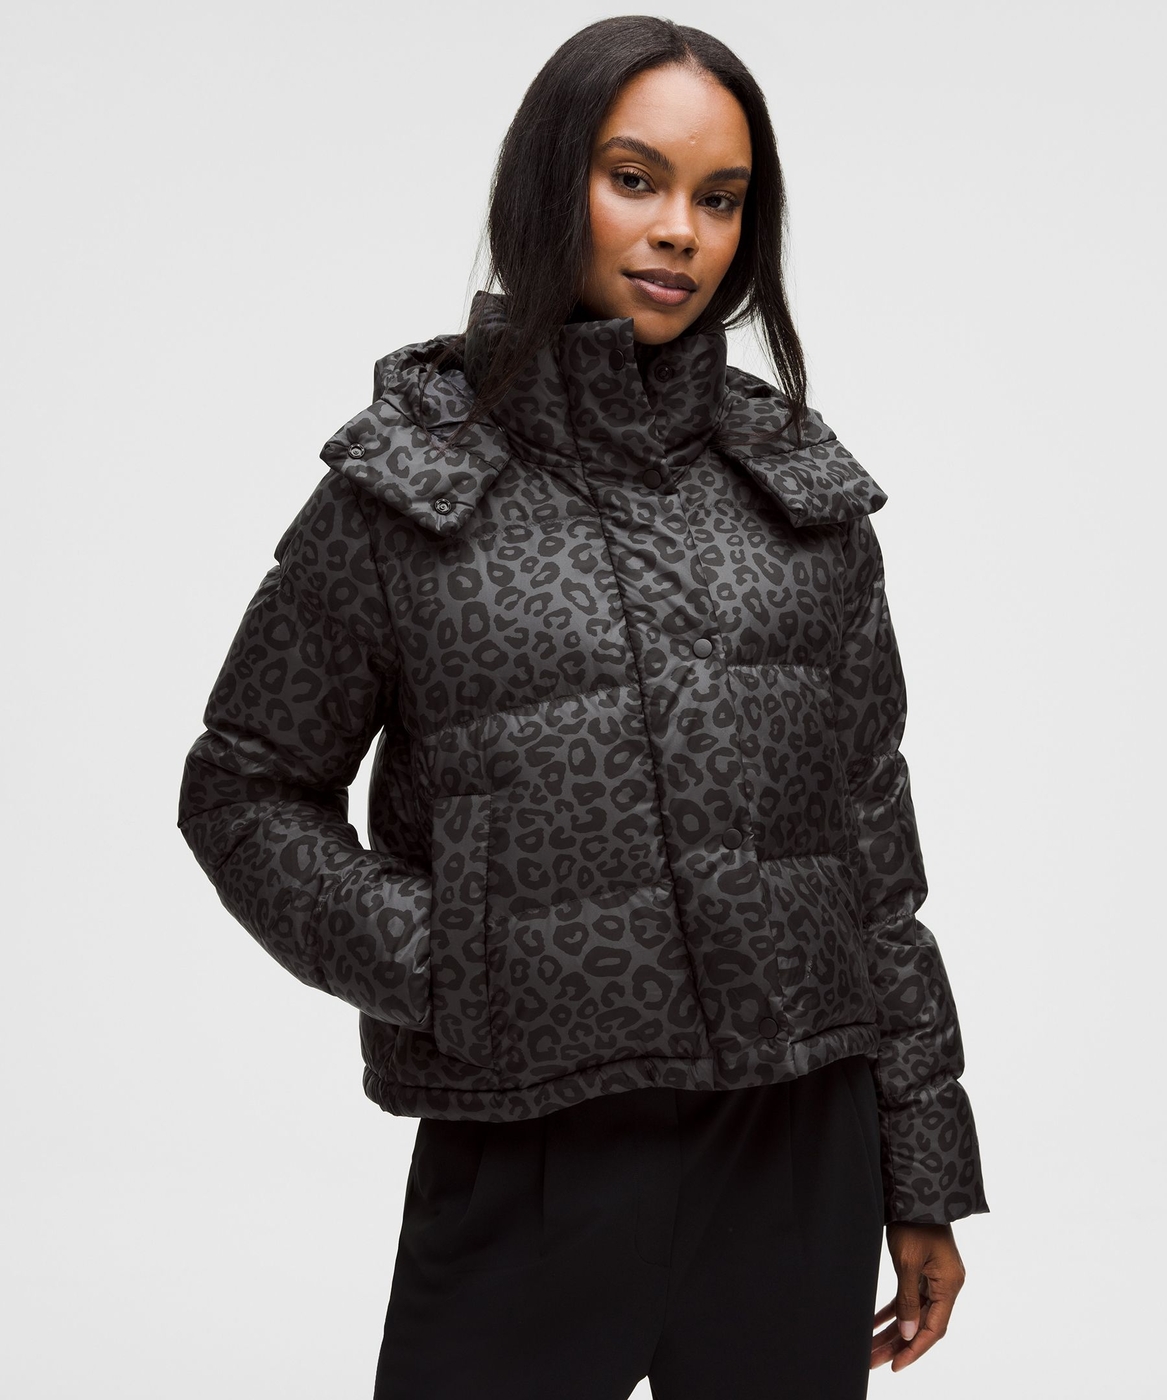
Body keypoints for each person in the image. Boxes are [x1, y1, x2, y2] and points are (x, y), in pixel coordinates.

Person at [177, 15, 989, 1399]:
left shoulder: (801, 500)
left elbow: (874, 857)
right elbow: (242, 788)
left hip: (797, 1152)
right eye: (635, 179)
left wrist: (922, 1171)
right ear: (550, 184)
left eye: (720, 199)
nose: (680, 230)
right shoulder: (406, 493)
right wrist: (450, 958)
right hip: (532, 1153)